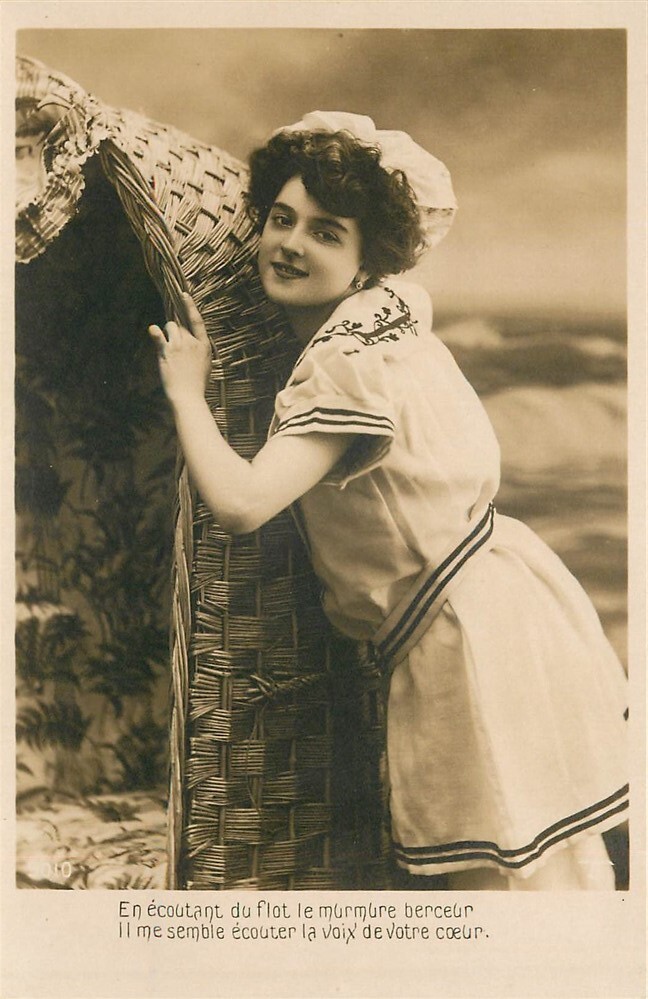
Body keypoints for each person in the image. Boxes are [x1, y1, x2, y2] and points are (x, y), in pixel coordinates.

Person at [149, 111, 628, 891]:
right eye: (280, 219)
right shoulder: (393, 321)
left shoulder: (345, 366)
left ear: (365, 260)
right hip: (508, 596)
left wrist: (186, 393)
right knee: (549, 869)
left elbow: (240, 503)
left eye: (326, 233)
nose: (290, 244)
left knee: (502, 883)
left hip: (465, 637)